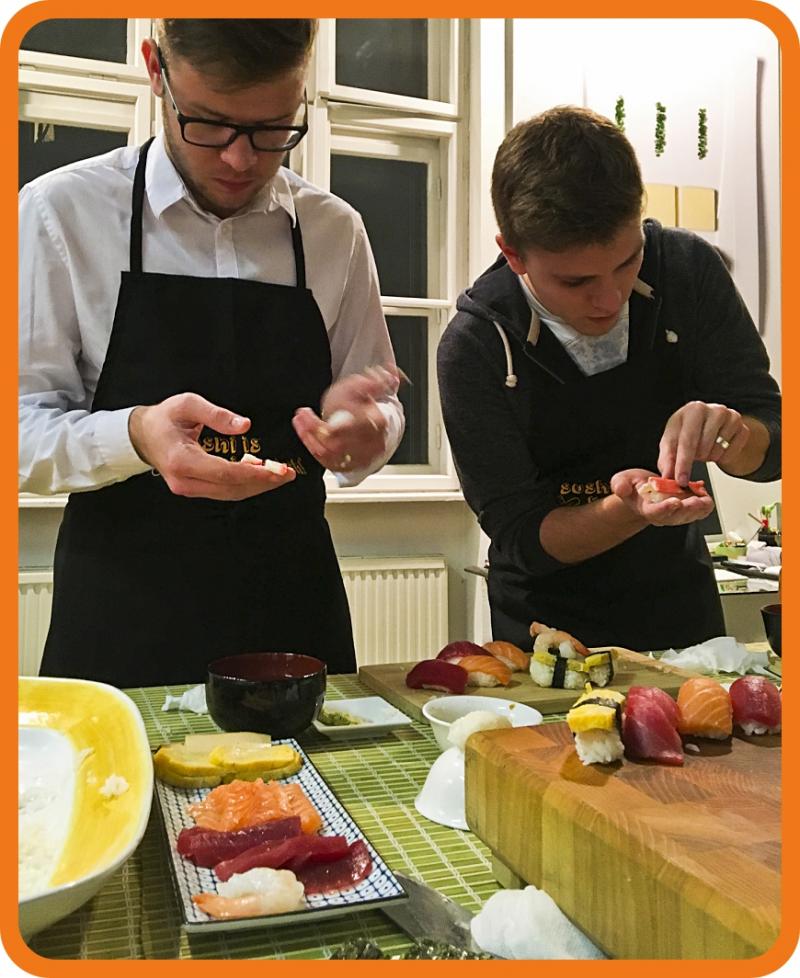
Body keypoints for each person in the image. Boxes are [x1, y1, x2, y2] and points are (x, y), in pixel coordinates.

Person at [19, 19, 404, 686]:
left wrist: (370, 431)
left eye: (272, 129)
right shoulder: (61, 213)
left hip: (294, 611)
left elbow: (382, 406)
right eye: (209, 124)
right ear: (155, 70)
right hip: (123, 620)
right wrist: (135, 434)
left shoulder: (334, 231)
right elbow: (18, 430)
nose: (239, 159)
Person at [437, 106, 781, 653]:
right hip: (545, 630)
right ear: (513, 254)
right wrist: (629, 510)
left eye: (627, 263)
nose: (609, 298)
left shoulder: (686, 271)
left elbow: (774, 440)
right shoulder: (477, 345)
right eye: (576, 282)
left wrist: (735, 436)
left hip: (681, 609)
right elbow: (522, 535)